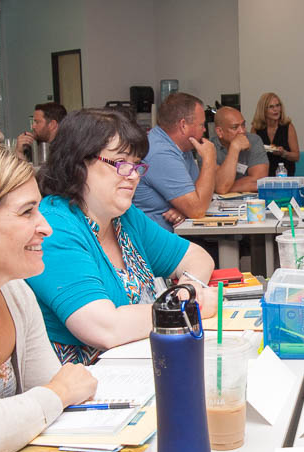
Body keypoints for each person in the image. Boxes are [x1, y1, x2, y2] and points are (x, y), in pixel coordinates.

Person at [0, 143, 104, 452]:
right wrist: (54, 396)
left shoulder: (15, 293)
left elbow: (59, 390)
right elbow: (56, 391)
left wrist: (57, 395)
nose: (46, 227)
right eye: (26, 213)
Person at [27, 108, 216, 365]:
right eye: (122, 164)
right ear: (79, 162)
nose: (135, 175)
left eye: (137, 165)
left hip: (140, 367)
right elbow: (105, 328)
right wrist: (187, 309)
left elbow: (198, 257)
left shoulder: (122, 217)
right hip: (87, 387)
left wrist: (187, 290)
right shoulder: (54, 227)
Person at [132, 92, 217, 229]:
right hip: (152, 243)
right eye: (201, 125)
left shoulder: (183, 146)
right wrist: (209, 159)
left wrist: (185, 209)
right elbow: (198, 209)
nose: (204, 129)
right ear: (183, 125)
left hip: (175, 235)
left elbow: (201, 195)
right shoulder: (160, 153)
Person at [212, 106, 269, 193]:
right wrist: (234, 148)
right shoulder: (208, 147)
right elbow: (220, 186)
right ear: (220, 131)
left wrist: (226, 187)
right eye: (235, 127)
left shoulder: (254, 140)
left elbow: (259, 181)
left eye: (243, 125)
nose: (242, 131)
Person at [251, 92, 299, 176]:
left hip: (285, 174)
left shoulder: (288, 126)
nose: (276, 109)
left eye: (278, 105)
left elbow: (296, 156)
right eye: (271, 107)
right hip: (263, 175)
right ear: (263, 110)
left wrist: (284, 153)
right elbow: (251, 154)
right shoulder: (256, 128)